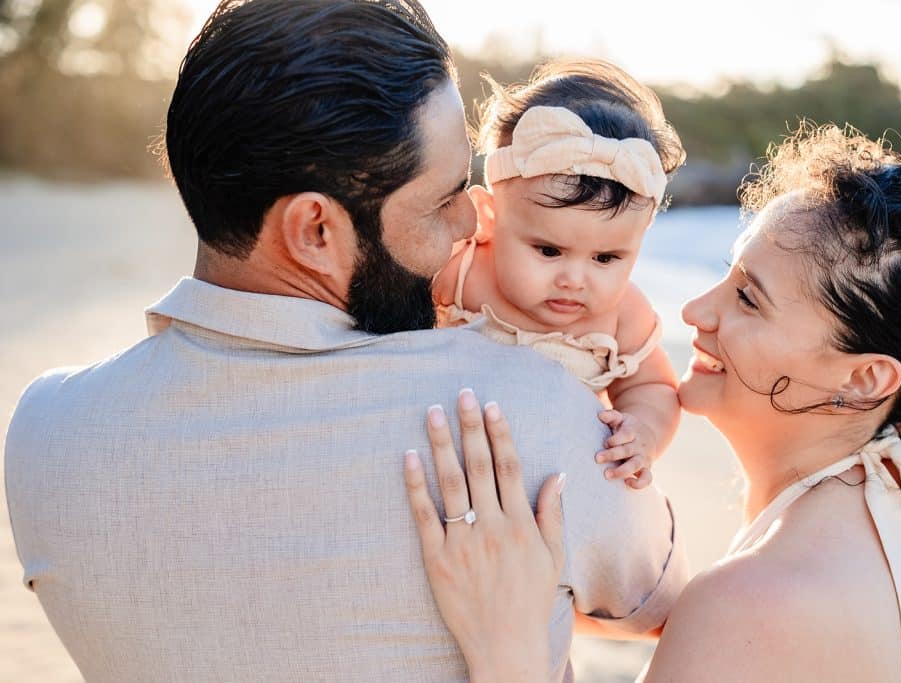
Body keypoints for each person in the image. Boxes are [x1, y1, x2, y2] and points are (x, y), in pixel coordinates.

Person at [3, 2, 687, 681]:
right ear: (315, 231)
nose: (465, 228)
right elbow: (662, 606)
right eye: (443, 199)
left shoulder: (46, 431)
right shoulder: (524, 421)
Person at [405, 124, 901, 682]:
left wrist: (507, 648)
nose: (696, 311)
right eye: (727, 274)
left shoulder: (748, 602)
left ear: (866, 380)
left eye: (749, 300)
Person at [434, 60, 685, 488]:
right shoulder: (460, 272)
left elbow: (655, 389)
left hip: (559, 482)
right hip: (452, 464)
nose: (574, 278)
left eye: (606, 258)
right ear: (489, 218)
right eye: (549, 250)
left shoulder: (623, 315)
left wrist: (641, 431)